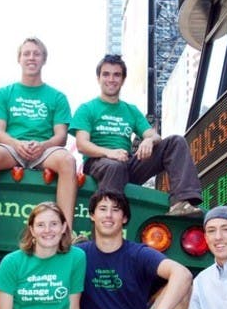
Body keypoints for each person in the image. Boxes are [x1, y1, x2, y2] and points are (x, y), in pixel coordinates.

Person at [0, 37, 77, 248]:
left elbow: (61, 136)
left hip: (45, 150)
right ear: (19, 59)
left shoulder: (57, 97)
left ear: (44, 59)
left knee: (67, 160)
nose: (31, 58)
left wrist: (43, 145)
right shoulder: (4, 93)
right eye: (27, 53)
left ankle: (66, 233)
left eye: (36, 54)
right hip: (12, 148)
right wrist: (17, 143)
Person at [70, 54, 203, 217]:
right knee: (114, 165)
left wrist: (149, 140)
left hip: (127, 164)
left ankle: (181, 202)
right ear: (98, 78)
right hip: (98, 164)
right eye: (106, 74)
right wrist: (110, 153)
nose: (111, 79)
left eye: (116, 74)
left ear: (123, 79)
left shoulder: (131, 110)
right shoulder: (87, 108)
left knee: (175, 142)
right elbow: (82, 145)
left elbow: (154, 136)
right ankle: (107, 220)